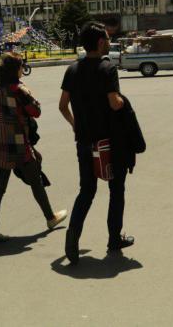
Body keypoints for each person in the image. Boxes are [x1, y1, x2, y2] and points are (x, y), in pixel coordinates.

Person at [59, 22, 133, 265]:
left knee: (87, 190)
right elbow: (114, 103)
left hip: (84, 140)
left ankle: (73, 234)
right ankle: (114, 239)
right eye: (108, 39)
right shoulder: (107, 68)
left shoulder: (72, 70)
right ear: (101, 43)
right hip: (109, 141)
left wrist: (75, 125)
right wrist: (122, 101)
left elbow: (62, 105)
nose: (109, 42)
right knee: (116, 189)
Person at [0, 52, 67, 243]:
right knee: (36, 181)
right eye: (21, 66)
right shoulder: (19, 90)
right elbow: (36, 111)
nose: (23, 69)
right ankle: (50, 218)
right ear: (16, 70)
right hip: (19, 146)